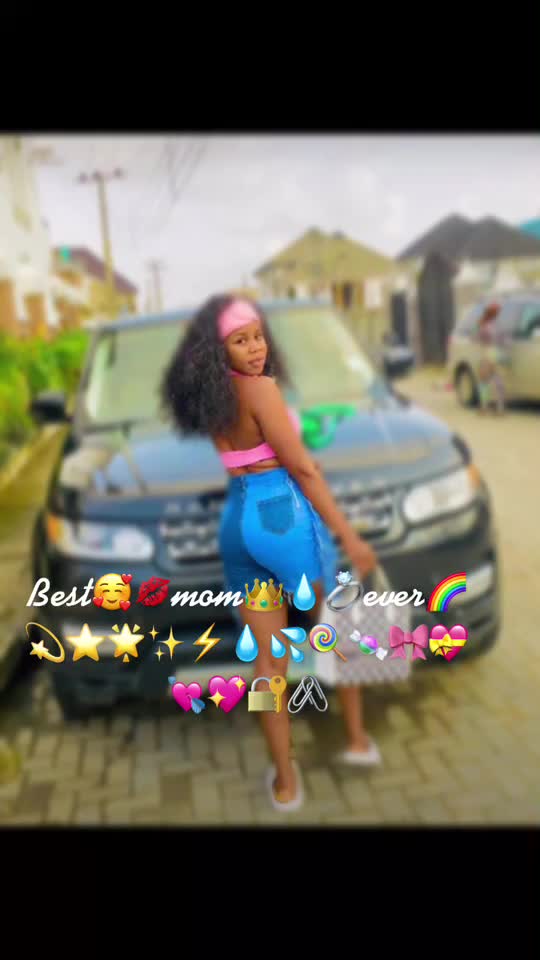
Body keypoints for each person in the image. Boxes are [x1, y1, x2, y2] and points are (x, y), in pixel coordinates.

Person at [160, 295, 377, 811]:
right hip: (285, 517)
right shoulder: (261, 390)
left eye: (258, 335)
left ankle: (285, 783)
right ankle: (355, 741)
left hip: (239, 521)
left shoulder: (211, 398)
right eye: (241, 340)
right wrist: (348, 534)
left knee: (268, 663)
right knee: (338, 632)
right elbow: (301, 467)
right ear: (221, 350)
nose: (256, 348)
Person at [476, 303, 505, 414]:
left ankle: (485, 406)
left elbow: (479, 339)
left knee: (484, 381)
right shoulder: (495, 325)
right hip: (495, 352)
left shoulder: (483, 324)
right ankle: (499, 407)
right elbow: (502, 339)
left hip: (487, 352)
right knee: (497, 380)